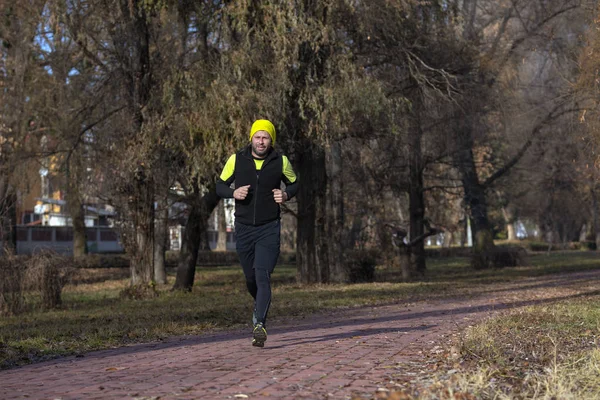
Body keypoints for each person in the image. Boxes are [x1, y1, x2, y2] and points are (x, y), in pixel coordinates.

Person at [216, 119, 298, 347]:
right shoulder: (237, 160)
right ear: (251, 138)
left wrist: (287, 195)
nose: (261, 141)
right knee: (251, 279)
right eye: (257, 137)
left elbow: (295, 183)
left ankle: (259, 324)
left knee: (262, 275)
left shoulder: (281, 161)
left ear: (271, 140)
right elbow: (219, 186)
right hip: (243, 228)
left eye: (266, 138)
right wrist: (233, 192)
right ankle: (259, 308)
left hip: (269, 227)